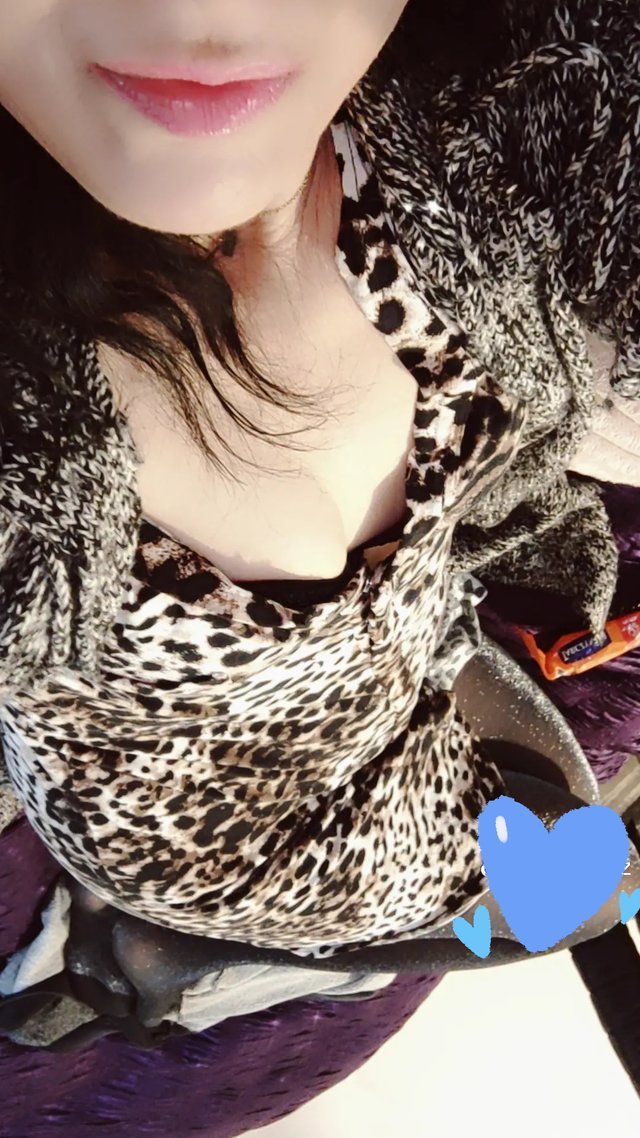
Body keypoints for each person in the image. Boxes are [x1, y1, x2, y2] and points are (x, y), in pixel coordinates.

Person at [0, 0, 639, 1055]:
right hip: (209, 843)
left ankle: (178, 958)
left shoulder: (495, 111)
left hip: (409, 656)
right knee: (600, 886)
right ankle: (180, 956)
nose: (201, 11)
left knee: (577, 862)